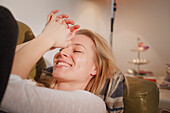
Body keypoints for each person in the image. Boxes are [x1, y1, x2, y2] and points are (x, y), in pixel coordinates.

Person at [0, 7, 106, 113]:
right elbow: (5, 62)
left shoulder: (93, 105)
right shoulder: (31, 85)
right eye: (61, 48)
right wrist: (46, 40)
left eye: (77, 51)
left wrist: (48, 38)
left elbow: (4, 88)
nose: (62, 52)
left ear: (95, 68)